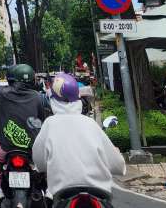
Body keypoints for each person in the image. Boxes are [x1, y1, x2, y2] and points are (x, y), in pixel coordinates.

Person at [33, 72, 126, 204]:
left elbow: (39, 162)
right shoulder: (90, 124)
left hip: (63, 196)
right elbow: (118, 165)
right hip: (98, 195)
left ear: (53, 100)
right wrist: (116, 154)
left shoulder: (49, 124)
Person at [0, 63, 51, 206]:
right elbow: (42, 120)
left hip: (6, 148)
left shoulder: (2, 95)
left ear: (11, 80)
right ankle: (49, 188)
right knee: (48, 158)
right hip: (32, 150)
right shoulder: (38, 97)